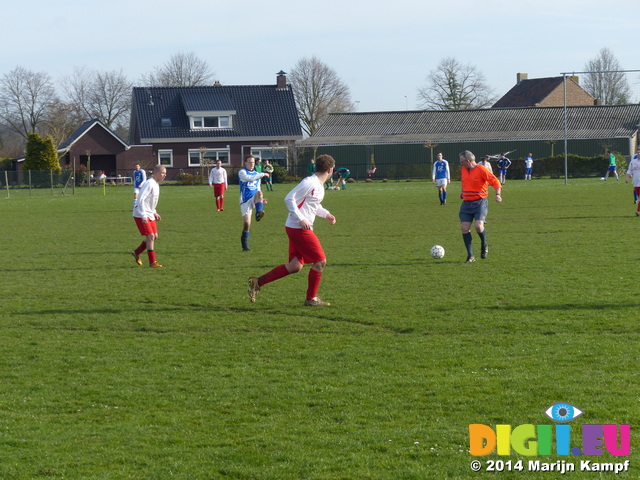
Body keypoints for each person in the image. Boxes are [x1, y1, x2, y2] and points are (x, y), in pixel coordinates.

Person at [248, 154, 337, 306]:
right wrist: (300, 218)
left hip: (296, 227)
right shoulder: (310, 182)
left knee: (295, 266)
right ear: (330, 170)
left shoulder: (319, 185)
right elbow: (289, 198)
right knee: (320, 261)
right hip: (299, 228)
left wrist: (326, 214)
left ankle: (257, 282)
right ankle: (311, 299)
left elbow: (313, 205)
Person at [459, 150, 503, 263]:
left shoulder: (482, 170)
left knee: (478, 226)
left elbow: (495, 181)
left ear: (468, 161)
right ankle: (470, 256)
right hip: (466, 203)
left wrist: (497, 195)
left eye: (462, 161)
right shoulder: (463, 169)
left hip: (480, 202)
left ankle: (484, 244)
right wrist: (463, 192)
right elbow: (464, 182)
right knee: (464, 228)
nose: (461, 164)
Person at [131, 164, 167, 268]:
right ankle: (152, 262)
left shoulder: (156, 184)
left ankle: (137, 252)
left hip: (149, 213)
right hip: (140, 213)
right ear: (157, 173)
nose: (165, 175)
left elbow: (150, 201)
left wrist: (154, 212)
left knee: (154, 236)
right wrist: (143, 215)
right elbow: (141, 199)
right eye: (163, 173)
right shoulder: (149, 183)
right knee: (150, 236)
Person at [239, 155, 270, 251]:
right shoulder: (242, 172)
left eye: (253, 162)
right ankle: (245, 246)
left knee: (260, 192)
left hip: (254, 198)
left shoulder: (257, 173)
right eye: (249, 162)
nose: (252, 164)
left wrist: (260, 200)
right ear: (245, 163)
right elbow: (249, 178)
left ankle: (258, 212)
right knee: (247, 224)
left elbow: (258, 188)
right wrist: (263, 174)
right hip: (245, 200)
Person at [625, 146, 640, 215]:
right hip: (636, 183)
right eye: (638, 151)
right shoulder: (633, 162)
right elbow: (629, 170)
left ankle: (638, 211)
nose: (639, 152)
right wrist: (627, 178)